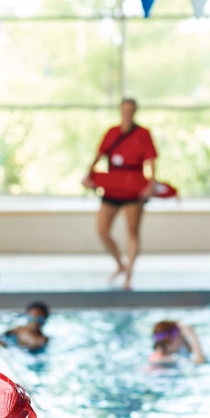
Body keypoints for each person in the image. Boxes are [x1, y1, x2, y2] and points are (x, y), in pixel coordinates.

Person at [82, 99, 158, 290]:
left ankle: (128, 276)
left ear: (135, 112)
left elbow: (151, 161)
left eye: (130, 111)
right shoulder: (112, 132)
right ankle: (120, 264)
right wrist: (89, 175)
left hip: (134, 187)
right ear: (120, 111)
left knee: (132, 231)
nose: (127, 114)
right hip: (113, 186)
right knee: (102, 230)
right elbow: (98, 156)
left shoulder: (143, 133)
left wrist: (151, 184)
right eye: (124, 110)